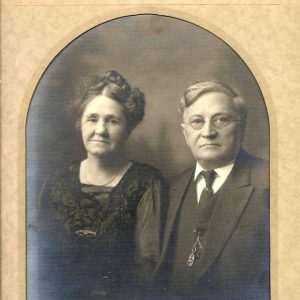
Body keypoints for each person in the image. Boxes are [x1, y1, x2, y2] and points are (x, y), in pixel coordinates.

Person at [37, 70, 167, 299]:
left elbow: (150, 265)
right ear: (80, 123)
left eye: (112, 121)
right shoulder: (55, 183)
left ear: (128, 129)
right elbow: (38, 259)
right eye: (92, 119)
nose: (100, 130)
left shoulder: (146, 182)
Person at [154, 81, 269, 299]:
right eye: (197, 122)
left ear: (241, 126)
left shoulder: (273, 183)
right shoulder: (168, 189)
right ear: (185, 132)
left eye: (221, 120)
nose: (208, 132)